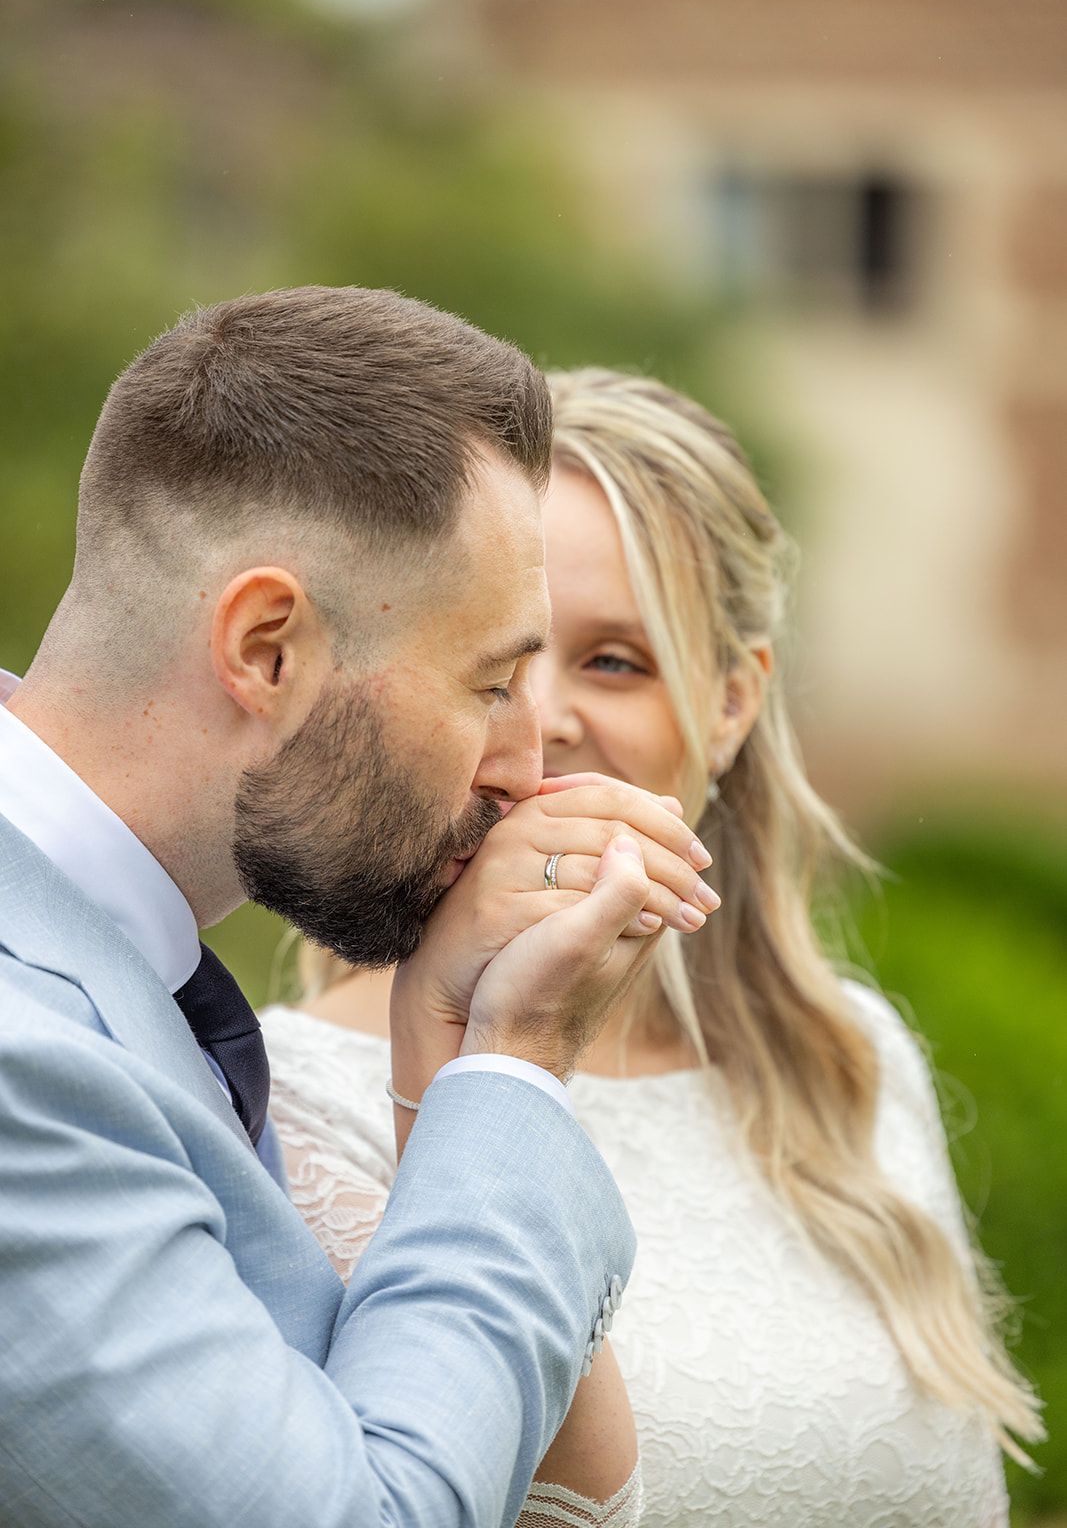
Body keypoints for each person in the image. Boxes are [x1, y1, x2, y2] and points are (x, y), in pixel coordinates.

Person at [263, 367, 1044, 1527]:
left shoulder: (850, 1060)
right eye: (500, 659)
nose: (544, 722)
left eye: (613, 660)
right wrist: (481, 1039)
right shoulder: (291, 1099)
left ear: (730, 702)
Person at [0, 293, 724, 1528]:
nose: (525, 765)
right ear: (269, 648)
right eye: (492, 680)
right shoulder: (28, 1059)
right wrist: (511, 1066)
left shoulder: (114, 974)